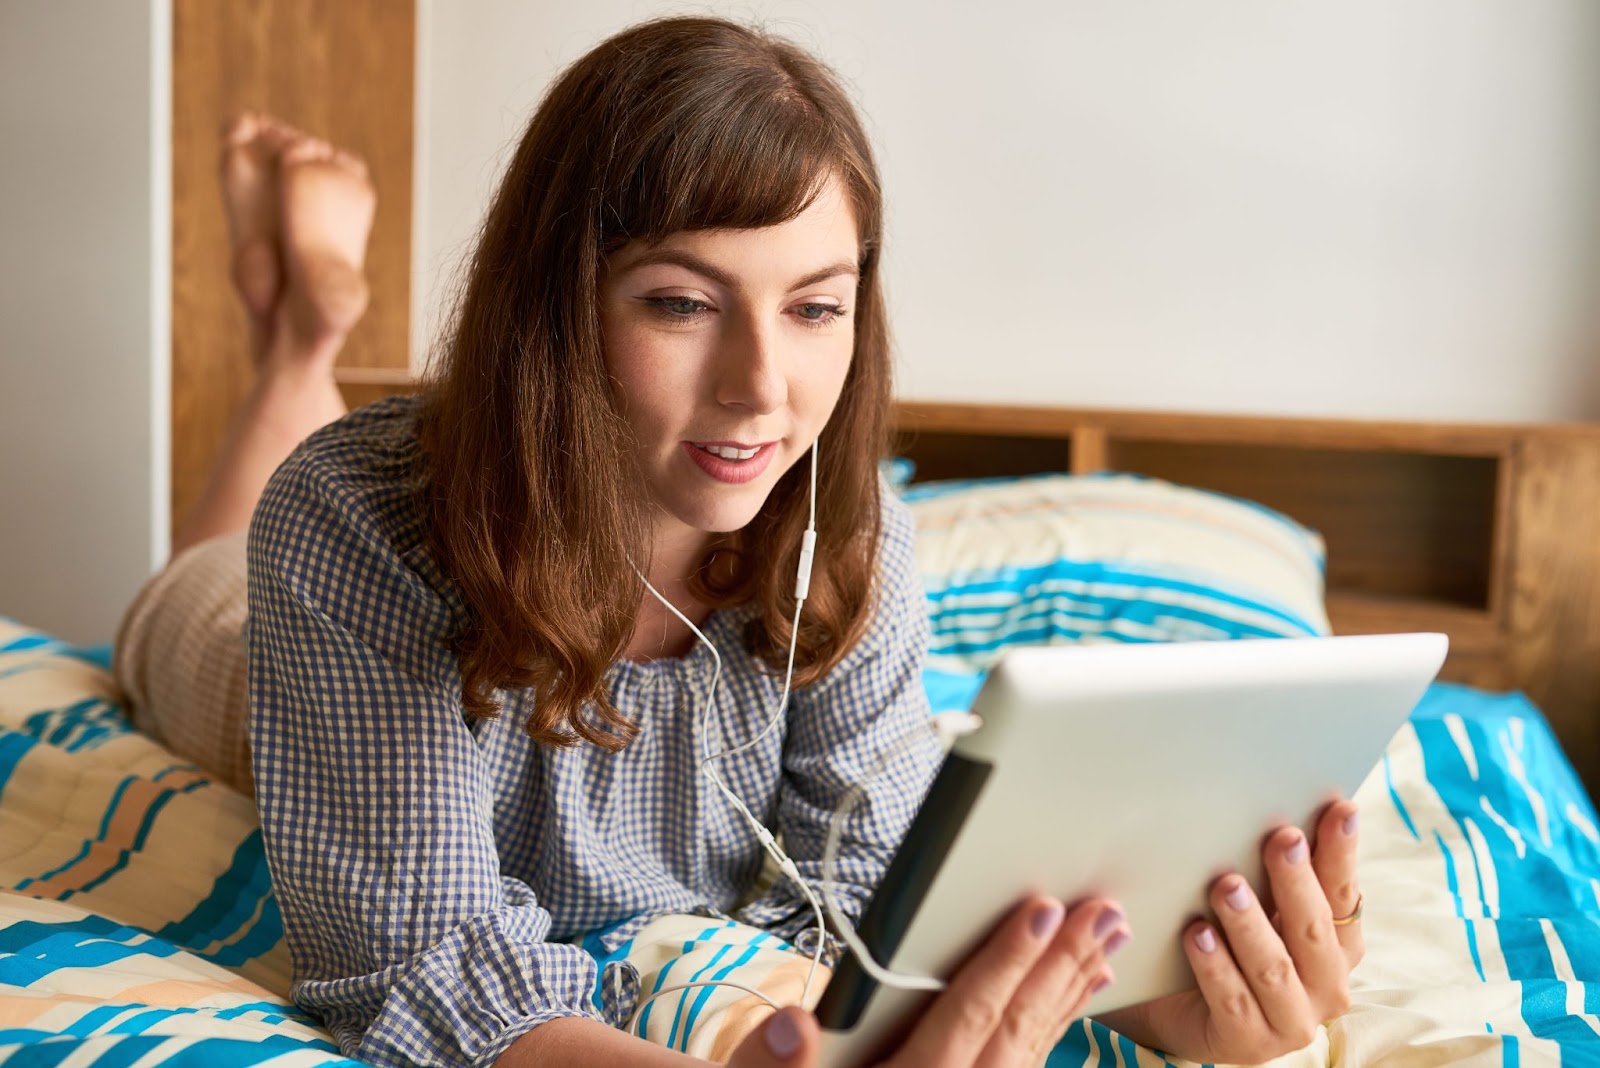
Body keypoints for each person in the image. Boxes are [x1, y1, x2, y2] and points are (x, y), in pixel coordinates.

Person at [115, 17, 1365, 1068]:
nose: (762, 387)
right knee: (200, 567)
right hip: (243, 657)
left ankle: (302, 332)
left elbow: (882, 882)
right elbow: (420, 969)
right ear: (559, 305)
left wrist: (1171, 997)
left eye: (814, 306)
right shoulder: (352, 521)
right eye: (682, 304)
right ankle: (300, 340)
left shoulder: (846, 529)